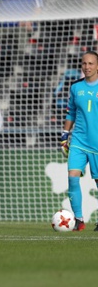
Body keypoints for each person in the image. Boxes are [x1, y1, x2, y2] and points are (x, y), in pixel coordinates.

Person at [60, 51, 98, 232]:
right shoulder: (75, 87)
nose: (87, 67)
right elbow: (71, 112)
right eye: (84, 63)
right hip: (79, 140)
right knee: (72, 177)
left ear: (97, 66)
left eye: (91, 63)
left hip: (97, 143)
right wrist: (65, 134)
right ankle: (79, 219)